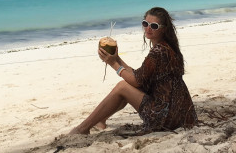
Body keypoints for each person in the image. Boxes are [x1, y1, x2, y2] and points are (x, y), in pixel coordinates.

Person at [69, 7, 197, 134]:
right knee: (127, 85)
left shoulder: (159, 52)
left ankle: (82, 128)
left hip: (165, 117)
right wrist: (117, 58)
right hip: (180, 114)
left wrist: (113, 64)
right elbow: (140, 76)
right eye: (145, 24)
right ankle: (100, 120)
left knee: (122, 87)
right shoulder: (167, 47)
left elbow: (136, 81)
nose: (148, 28)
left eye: (154, 26)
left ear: (163, 29)